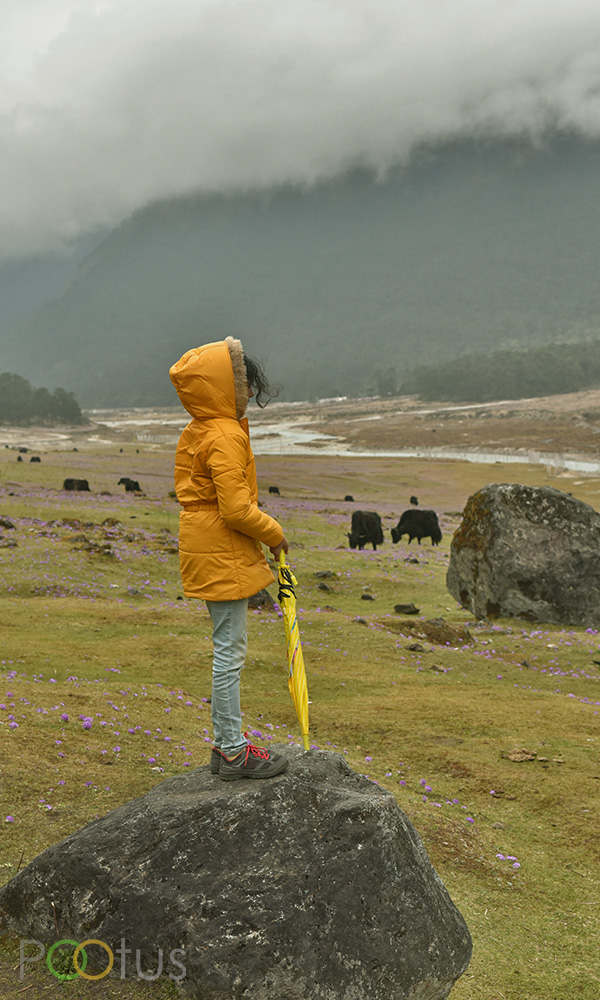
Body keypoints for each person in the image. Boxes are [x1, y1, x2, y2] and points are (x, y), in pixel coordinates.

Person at [169, 337, 289, 780]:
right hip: (221, 548)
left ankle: (225, 746)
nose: (248, 392)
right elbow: (237, 509)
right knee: (229, 652)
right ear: (225, 387)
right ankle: (235, 749)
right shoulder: (223, 435)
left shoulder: (202, 428)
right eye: (243, 383)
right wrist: (275, 535)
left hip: (210, 544)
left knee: (226, 648)